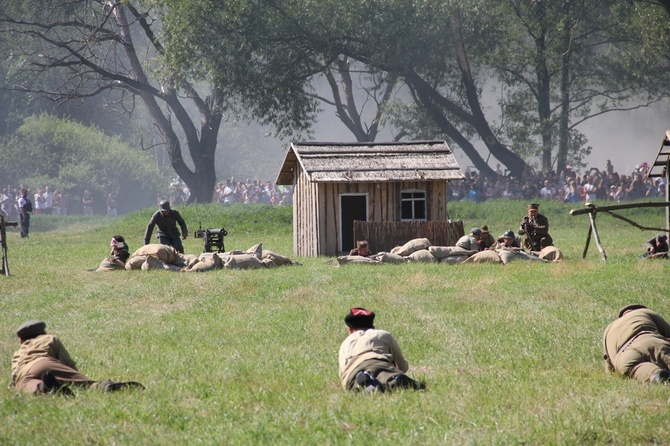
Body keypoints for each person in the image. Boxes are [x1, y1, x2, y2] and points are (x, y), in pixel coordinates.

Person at [10, 320, 144, 396]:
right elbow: (68, 365)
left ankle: (44, 387)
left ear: (21, 341)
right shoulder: (48, 338)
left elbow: (13, 377)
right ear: (42, 332)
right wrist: (75, 376)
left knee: (28, 387)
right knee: (86, 384)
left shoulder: (18, 352)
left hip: (23, 374)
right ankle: (105, 386)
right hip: (44, 363)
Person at [338, 308, 424, 392]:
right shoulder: (383, 334)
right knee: (388, 378)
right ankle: (396, 380)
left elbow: (343, 372)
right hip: (380, 363)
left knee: (354, 383)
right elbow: (402, 366)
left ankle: (366, 383)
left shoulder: (346, 342)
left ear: (350, 330)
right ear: (372, 326)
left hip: (354, 371)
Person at [603, 304, 670, 384]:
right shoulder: (645, 312)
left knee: (646, 371)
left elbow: (609, 368)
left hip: (625, 357)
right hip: (647, 340)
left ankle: (658, 376)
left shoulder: (608, 329)